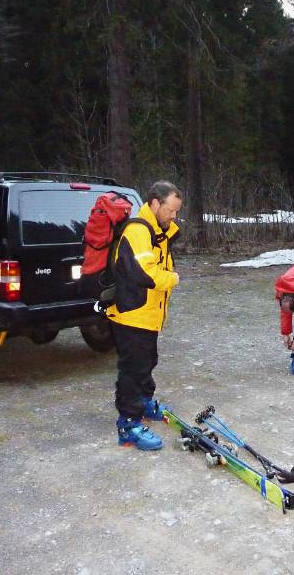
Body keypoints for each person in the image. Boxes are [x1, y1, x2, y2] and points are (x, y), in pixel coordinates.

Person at [106, 181, 182, 449]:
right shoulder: (139, 230)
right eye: (171, 210)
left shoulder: (156, 232)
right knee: (133, 368)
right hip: (131, 314)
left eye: (176, 212)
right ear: (154, 203)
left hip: (147, 314)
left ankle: (145, 403)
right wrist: (172, 279)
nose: (174, 216)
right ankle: (128, 423)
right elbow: (146, 272)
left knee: (147, 361)